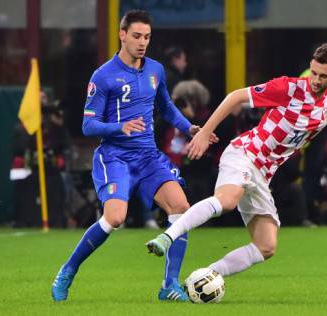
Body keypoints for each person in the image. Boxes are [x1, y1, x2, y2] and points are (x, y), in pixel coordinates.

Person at [146, 43, 327, 279]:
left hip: (263, 173)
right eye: (314, 73)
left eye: (323, 77)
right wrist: (202, 132)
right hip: (244, 154)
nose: (316, 80)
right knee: (228, 201)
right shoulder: (288, 88)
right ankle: (168, 236)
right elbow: (235, 97)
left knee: (266, 245)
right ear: (311, 65)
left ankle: (206, 276)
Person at [51, 10, 217, 302]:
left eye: (148, 37)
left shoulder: (155, 70)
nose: (143, 42)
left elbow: (165, 107)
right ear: (122, 34)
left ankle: (169, 285)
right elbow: (88, 125)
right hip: (114, 156)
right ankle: (68, 269)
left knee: (181, 207)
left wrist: (190, 128)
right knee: (115, 217)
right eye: (137, 36)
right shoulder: (103, 76)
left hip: (148, 157)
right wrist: (121, 127)